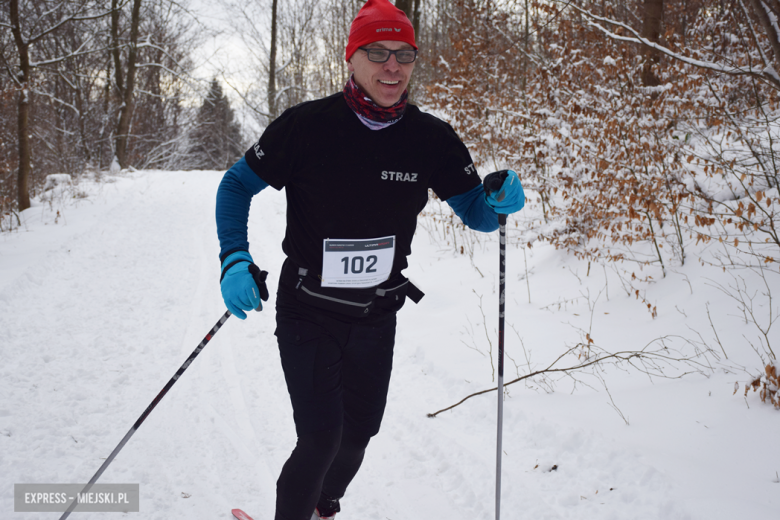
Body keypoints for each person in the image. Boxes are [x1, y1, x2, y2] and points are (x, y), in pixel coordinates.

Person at [215, 1, 524, 519]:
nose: (392, 65)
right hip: (308, 307)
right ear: (350, 58)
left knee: (358, 434)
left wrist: (497, 203)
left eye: (404, 53)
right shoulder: (306, 126)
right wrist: (234, 259)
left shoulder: (431, 139)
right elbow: (235, 185)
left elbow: (477, 213)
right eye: (377, 52)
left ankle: (321, 507)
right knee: (320, 436)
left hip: (377, 313)